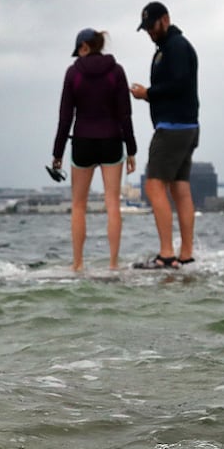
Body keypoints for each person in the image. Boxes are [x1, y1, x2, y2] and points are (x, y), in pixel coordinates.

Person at [52, 28, 137, 271]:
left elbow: (65, 118)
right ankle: (113, 264)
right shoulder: (116, 72)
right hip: (112, 140)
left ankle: (77, 264)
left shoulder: (73, 74)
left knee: (79, 204)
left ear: (84, 47)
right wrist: (131, 150)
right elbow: (125, 115)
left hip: (83, 143)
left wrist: (57, 153)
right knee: (112, 202)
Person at [129, 1, 198, 269]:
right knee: (180, 189)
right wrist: (149, 96)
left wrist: (149, 93)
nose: (149, 32)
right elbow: (176, 87)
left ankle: (167, 253)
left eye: (152, 26)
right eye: (145, 29)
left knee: (153, 185)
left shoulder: (176, 47)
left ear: (165, 20)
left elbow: (178, 84)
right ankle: (186, 254)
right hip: (186, 125)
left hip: (173, 128)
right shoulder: (169, 48)